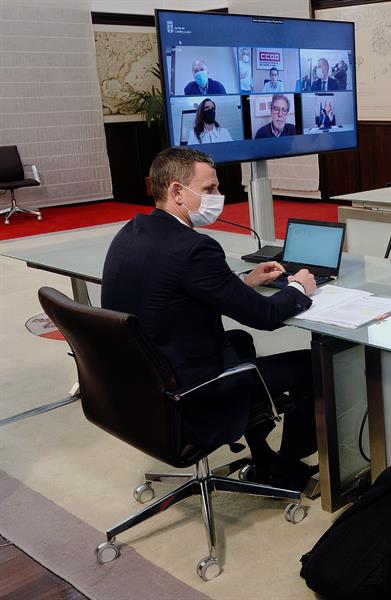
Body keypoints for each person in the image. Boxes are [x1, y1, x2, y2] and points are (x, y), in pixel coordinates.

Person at [101, 147, 320, 490]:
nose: (219, 197)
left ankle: (264, 456)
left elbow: (177, 291)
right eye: (209, 190)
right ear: (176, 191)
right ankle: (288, 469)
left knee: (239, 342)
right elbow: (265, 316)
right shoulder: (194, 248)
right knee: (315, 364)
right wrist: (297, 288)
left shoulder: (132, 232)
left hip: (138, 390)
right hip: (189, 393)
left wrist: (243, 283)